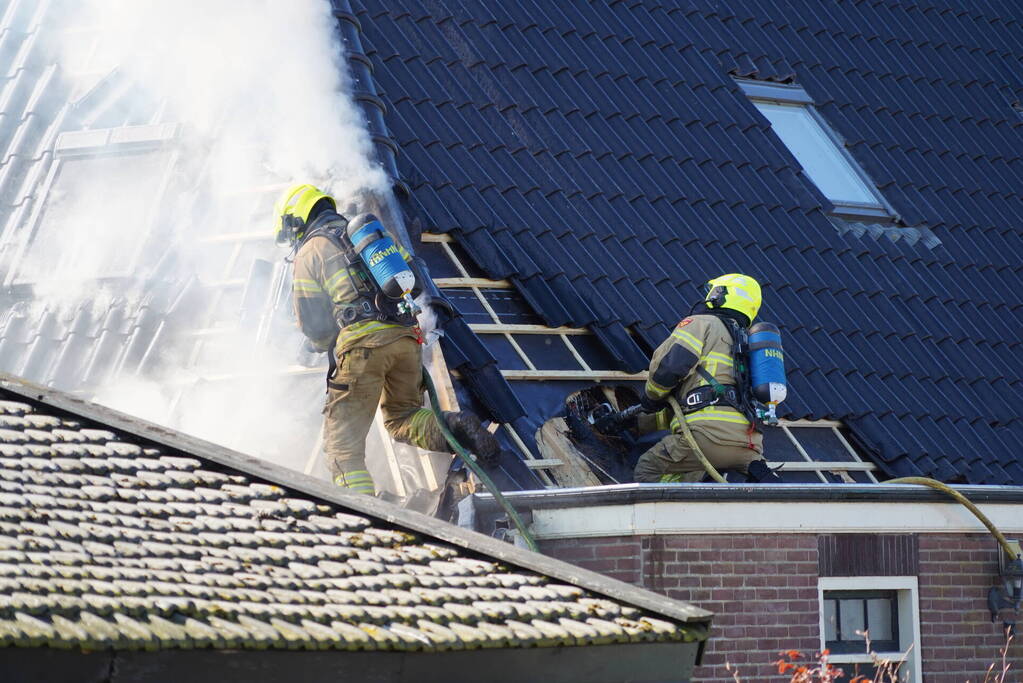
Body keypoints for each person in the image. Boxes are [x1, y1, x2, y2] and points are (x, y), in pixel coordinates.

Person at [273, 183, 498, 495]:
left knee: (343, 450)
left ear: (295, 221)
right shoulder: (368, 236)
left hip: (363, 348)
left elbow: (312, 323)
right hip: (405, 339)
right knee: (403, 418)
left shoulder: (311, 251)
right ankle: (458, 427)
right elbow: (415, 282)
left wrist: (317, 343)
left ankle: (363, 516)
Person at [628, 273, 775, 483]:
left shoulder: (700, 323)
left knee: (647, 468)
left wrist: (652, 397)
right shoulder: (751, 342)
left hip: (705, 437)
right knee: (691, 480)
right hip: (749, 446)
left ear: (721, 295)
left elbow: (670, 368)